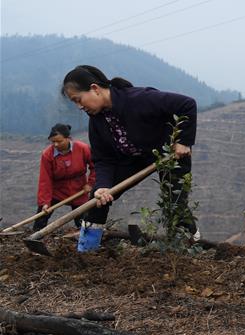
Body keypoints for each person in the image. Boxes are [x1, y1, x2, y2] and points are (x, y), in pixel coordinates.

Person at [61, 65, 198, 252]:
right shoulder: (96, 121)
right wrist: (103, 185)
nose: (79, 106)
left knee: (175, 203)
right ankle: (87, 249)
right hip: (133, 159)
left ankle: (191, 245)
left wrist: (183, 141)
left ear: (95, 89)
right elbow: (103, 158)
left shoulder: (138, 99)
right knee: (99, 198)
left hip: (168, 153)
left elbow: (187, 104)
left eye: (79, 100)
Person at [33, 123, 95, 230]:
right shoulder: (47, 154)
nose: (56, 144)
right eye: (53, 142)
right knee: (42, 217)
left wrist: (90, 183)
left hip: (79, 189)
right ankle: (35, 236)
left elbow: (96, 166)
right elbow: (45, 179)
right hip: (57, 190)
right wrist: (44, 202)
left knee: (83, 222)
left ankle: (85, 241)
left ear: (68, 138)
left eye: (59, 141)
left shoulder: (82, 148)